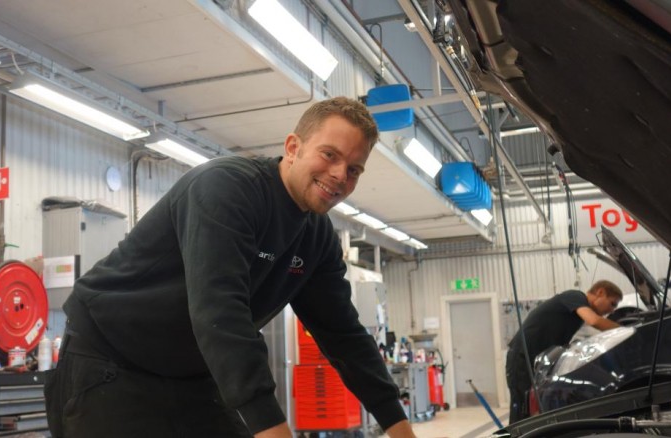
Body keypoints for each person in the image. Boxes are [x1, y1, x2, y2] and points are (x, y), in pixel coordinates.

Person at [44, 97, 416, 438]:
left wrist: (398, 428)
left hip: (192, 375)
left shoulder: (317, 238)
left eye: (354, 169)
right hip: (111, 362)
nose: (339, 175)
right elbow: (220, 312)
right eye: (329, 155)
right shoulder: (226, 189)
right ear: (293, 147)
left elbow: (344, 336)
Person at [505, 280, 623, 424]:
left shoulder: (576, 316)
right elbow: (594, 321)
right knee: (521, 411)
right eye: (612, 304)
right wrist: (624, 330)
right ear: (600, 292)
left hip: (534, 362)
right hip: (521, 358)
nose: (612, 310)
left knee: (532, 411)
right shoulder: (575, 296)